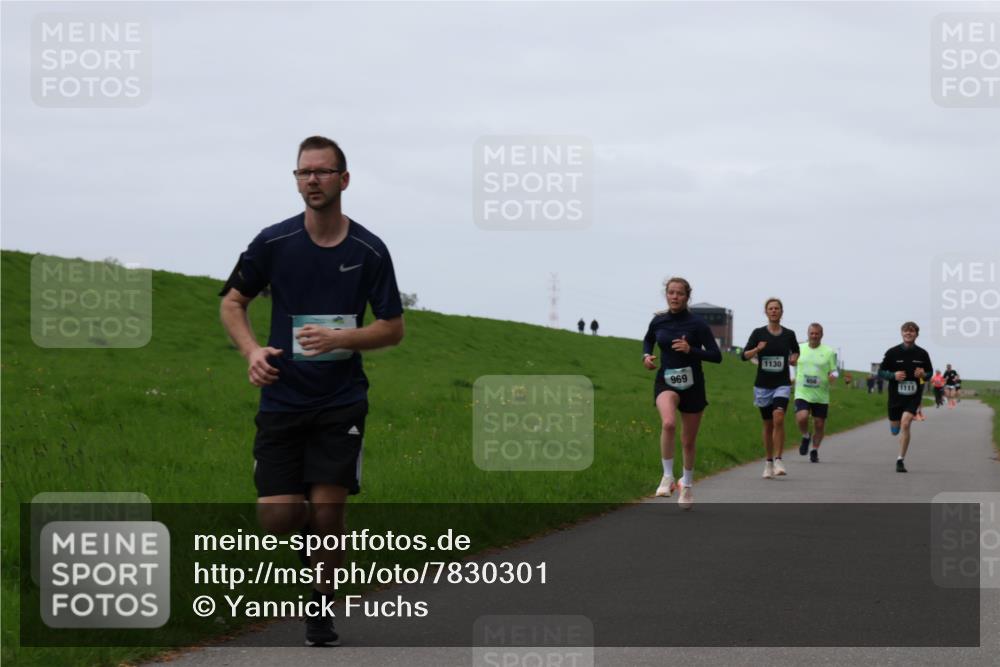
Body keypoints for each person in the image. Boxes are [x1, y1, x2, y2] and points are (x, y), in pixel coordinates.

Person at [219, 136, 405, 646]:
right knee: (277, 516)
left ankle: (319, 608)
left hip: (340, 401)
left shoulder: (368, 249)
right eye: (304, 173)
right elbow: (233, 303)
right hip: (281, 397)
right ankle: (314, 559)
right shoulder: (273, 243)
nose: (312, 181)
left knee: (329, 514)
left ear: (343, 180)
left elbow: (392, 327)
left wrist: (342, 338)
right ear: (297, 180)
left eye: (322, 172)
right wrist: (252, 352)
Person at [643, 277, 722, 510]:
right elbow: (648, 341)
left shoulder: (697, 324)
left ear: (687, 297)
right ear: (666, 295)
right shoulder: (658, 321)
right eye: (671, 292)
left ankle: (686, 484)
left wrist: (691, 350)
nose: (674, 297)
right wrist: (646, 356)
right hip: (666, 381)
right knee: (668, 423)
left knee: (688, 442)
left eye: (679, 293)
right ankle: (667, 476)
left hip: (693, 386)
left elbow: (716, 356)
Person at [743, 298, 799, 479]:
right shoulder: (758, 333)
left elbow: (796, 350)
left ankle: (779, 459)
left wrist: (794, 358)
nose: (774, 311)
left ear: (782, 312)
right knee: (767, 424)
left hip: (782, 384)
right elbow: (744, 355)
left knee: (779, 418)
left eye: (777, 308)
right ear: (766, 312)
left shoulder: (789, 334)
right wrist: (757, 349)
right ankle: (768, 462)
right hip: (763, 385)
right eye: (770, 309)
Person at [877, 322, 932, 473]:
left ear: (916, 334)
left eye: (912, 331)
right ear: (901, 333)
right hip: (895, 397)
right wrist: (892, 375)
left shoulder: (922, 354)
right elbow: (881, 372)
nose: (909, 334)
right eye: (906, 331)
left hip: (913, 396)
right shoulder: (892, 352)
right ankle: (894, 427)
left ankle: (900, 459)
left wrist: (923, 374)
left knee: (906, 424)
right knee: (895, 429)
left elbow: (929, 374)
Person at [793, 323, 838, 463]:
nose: (814, 336)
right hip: (802, 392)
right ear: (808, 334)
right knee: (802, 417)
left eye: (817, 333)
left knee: (819, 424)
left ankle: (814, 450)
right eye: (812, 333)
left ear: (821, 335)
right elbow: (791, 364)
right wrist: (791, 377)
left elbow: (835, 370)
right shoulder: (799, 348)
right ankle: (806, 436)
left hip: (821, 394)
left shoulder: (829, 352)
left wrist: (833, 376)